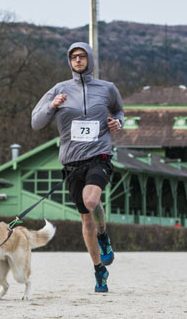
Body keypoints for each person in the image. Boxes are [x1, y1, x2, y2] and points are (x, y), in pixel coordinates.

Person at [31, 42, 124, 294]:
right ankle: (99, 270)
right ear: (69, 61)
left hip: (99, 155)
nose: (78, 60)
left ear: (90, 59)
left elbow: (119, 111)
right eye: (74, 57)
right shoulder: (59, 90)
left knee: (91, 200)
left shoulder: (107, 88)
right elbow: (36, 123)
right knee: (85, 220)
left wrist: (118, 123)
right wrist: (52, 106)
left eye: (82, 56)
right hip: (72, 162)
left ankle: (103, 236)